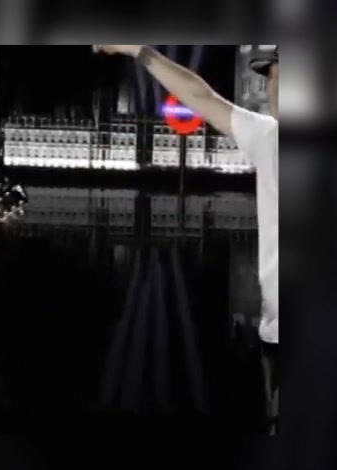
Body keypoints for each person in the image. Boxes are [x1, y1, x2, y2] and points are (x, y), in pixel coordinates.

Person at [93, 45, 279, 433]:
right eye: (270, 79)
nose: (272, 89)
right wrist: (138, 51)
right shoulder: (268, 138)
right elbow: (200, 96)